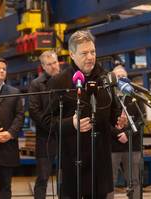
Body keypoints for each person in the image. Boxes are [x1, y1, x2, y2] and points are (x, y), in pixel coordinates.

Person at [44, 30, 124, 199]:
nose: (90, 57)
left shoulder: (106, 78)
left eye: (93, 52)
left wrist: (119, 119)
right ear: (72, 55)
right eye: (84, 53)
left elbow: (114, 110)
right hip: (73, 162)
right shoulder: (59, 82)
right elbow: (46, 122)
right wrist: (70, 124)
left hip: (100, 161)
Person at [0, 57, 24, 199]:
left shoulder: (14, 92)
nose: (2, 71)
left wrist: (10, 133)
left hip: (8, 147)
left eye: (4, 69)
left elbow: (20, 116)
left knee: (6, 187)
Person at [107, 65, 145, 199]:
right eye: (118, 76)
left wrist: (127, 134)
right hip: (112, 146)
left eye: (123, 76)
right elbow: (104, 121)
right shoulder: (108, 96)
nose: (121, 78)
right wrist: (117, 133)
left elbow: (141, 120)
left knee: (134, 181)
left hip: (132, 146)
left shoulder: (135, 96)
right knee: (109, 182)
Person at [29, 50, 60, 199]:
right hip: (45, 138)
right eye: (49, 64)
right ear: (43, 66)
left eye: (55, 62)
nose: (53, 66)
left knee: (66, 177)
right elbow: (34, 111)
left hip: (65, 137)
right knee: (42, 178)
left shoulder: (67, 80)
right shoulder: (36, 84)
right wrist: (52, 126)